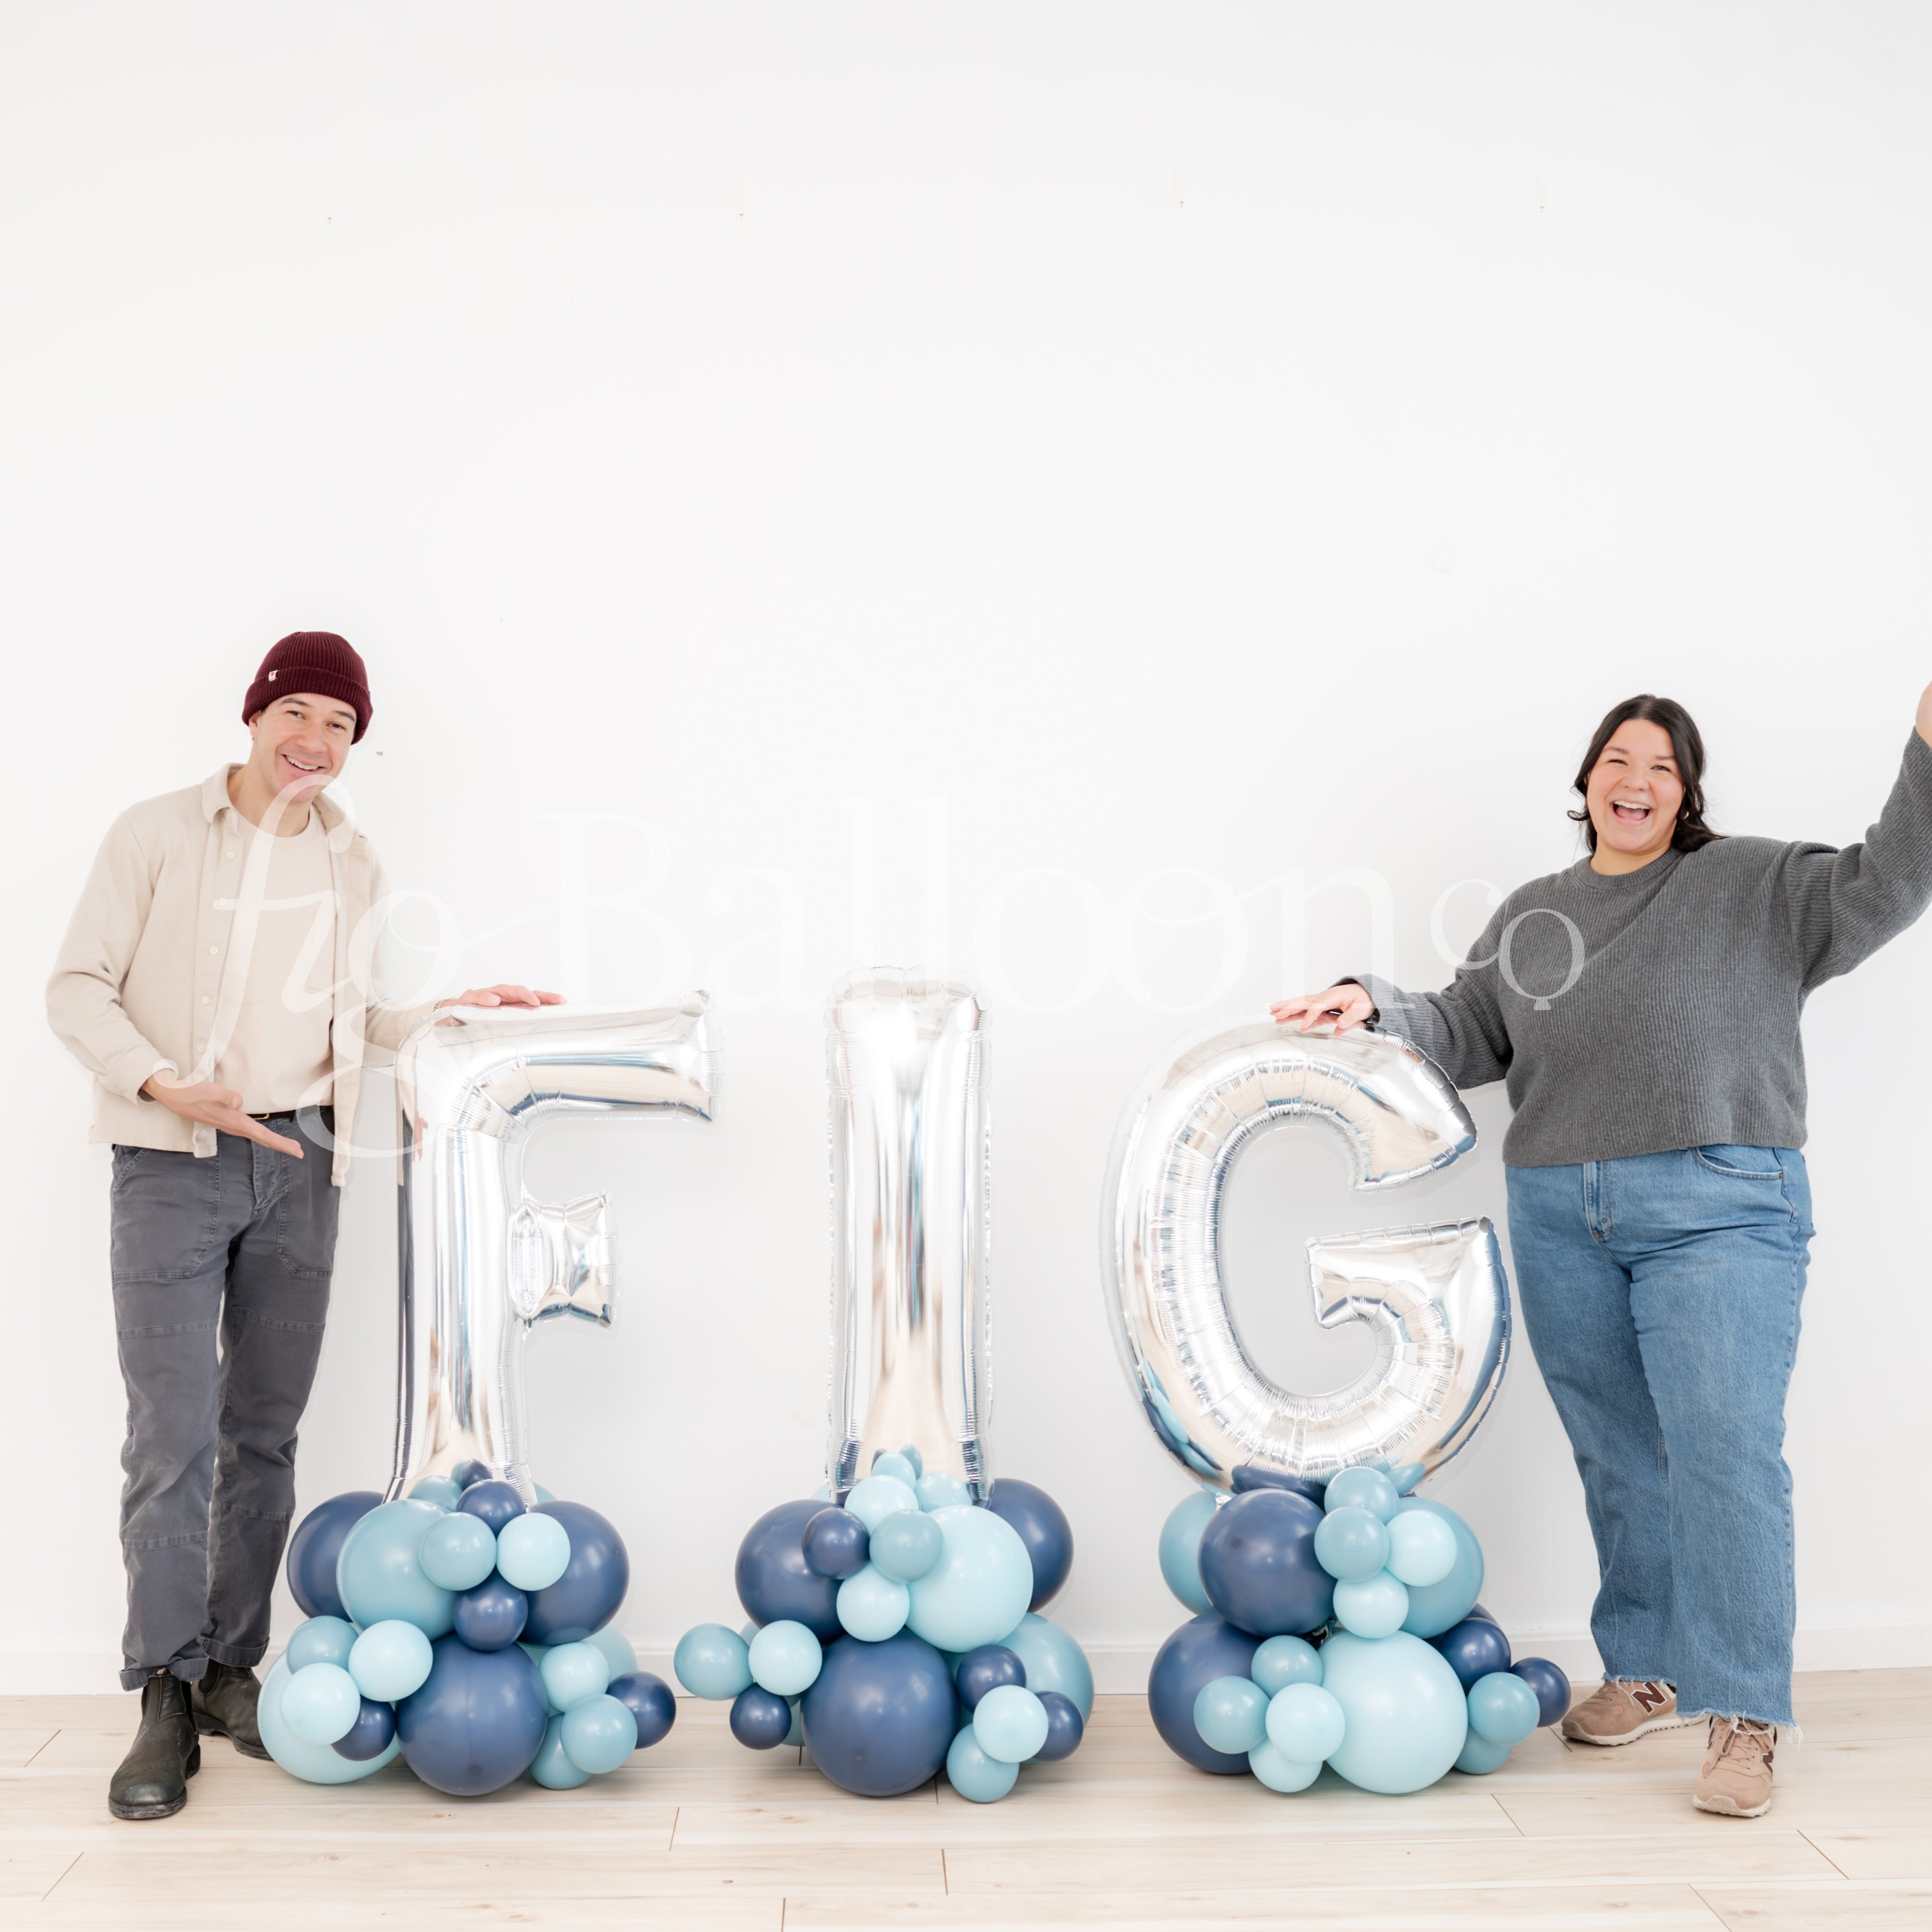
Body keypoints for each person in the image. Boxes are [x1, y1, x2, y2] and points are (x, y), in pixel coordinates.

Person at [1272, 686, 1932, 1819]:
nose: (1636, 779)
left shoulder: (1755, 883)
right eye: (1615, 760)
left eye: (1663, 766)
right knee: (1618, 1451)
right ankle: (1648, 1664)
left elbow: (1888, 878)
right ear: (1583, 784)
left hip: (1721, 1202)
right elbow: (1465, 1025)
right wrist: (1368, 1002)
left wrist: (1924, 746)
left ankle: (1743, 1712)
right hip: (1557, 1206)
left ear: (1687, 795)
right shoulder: (1536, 910)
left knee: (1722, 1449)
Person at [47, 632, 561, 1822]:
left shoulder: (353, 860)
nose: (316, 741)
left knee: (264, 1434)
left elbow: (347, 1019)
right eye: (301, 713)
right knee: (171, 1441)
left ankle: (234, 1669)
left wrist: (440, 1015)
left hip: (306, 1161)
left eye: (340, 724)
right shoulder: (158, 835)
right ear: (256, 714)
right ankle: (163, 1691)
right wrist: (167, 1082)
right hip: (171, 1161)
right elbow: (77, 986)